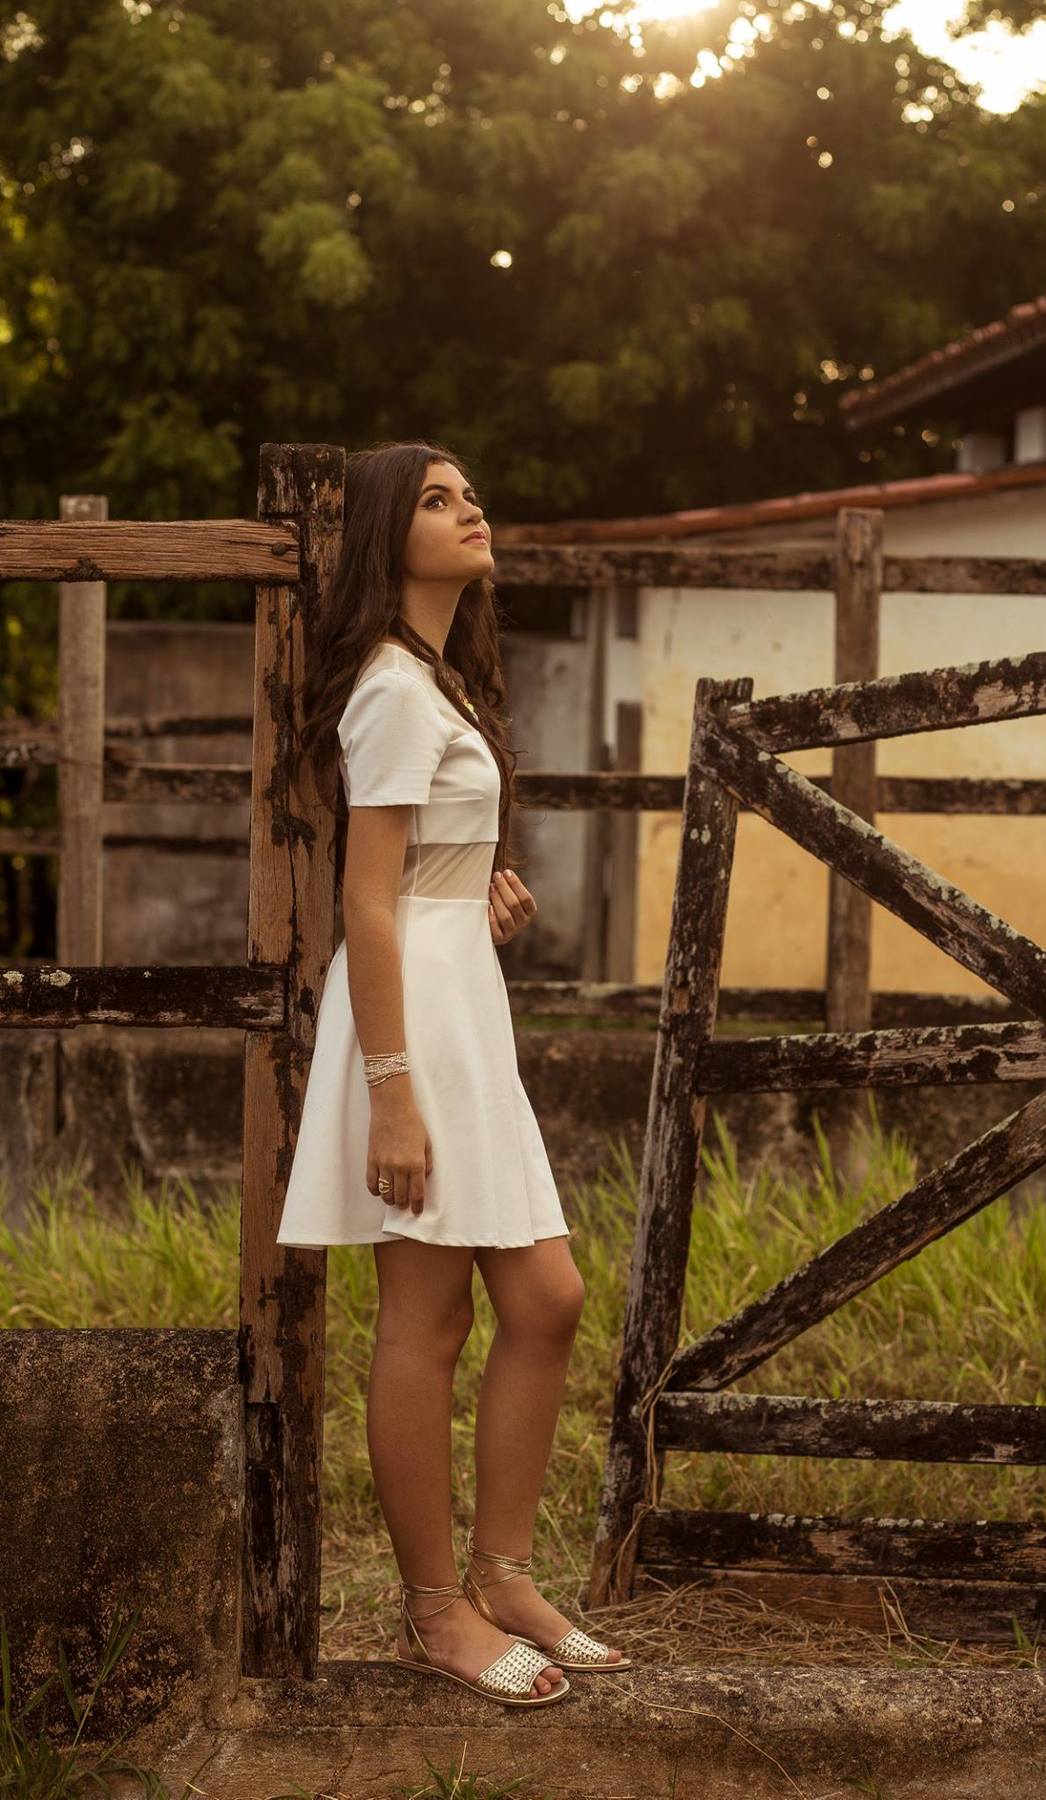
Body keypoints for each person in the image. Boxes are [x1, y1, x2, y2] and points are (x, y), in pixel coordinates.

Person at [275, 439, 630, 1707]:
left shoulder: (438, 684)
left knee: (545, 1300)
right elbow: (362, 906)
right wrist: (389, 1090)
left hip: (460, 1000)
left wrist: (471, 894)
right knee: (425, 1321)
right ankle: (436, 1610)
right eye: (436, 499)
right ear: (389, 535)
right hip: (411, 1030)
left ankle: (505, 1571)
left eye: (473, 491)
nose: (470, 507)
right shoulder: (384, 686)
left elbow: (414, 883)